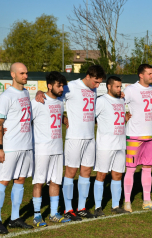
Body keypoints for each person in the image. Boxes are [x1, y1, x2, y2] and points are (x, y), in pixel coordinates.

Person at [35, 65, 105, 220]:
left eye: (99, 82)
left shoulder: (93, 89)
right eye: (96, 81)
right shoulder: (71, 87)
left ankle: (81, 207)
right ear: (88, 76)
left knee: (86, 172)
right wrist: (39, 92)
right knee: (71, 172)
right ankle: (68, 209)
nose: (97, 85)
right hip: (74, 137)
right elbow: (53, 96)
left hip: (89, 137)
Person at [0, 62, 34, 234]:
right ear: (13, 74)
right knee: (3, 181)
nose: (25, 76)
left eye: (26, 73)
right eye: (22, 73)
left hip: (26, 146)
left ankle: (15, 218)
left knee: (20, 181)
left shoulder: (25, 92)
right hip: (10, 147)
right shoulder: (6, 96)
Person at [31, 72, 71, 226]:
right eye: (58, 85)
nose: (61, 88)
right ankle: (36, 215)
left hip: (57, 148)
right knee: (39, 182)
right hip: (42, 149)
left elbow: (56, 116)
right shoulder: (38, 101)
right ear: (49, 85)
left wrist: (63, 118)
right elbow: (27, 120)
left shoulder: (60, 101)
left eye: (62, 85)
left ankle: (54, 213)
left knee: (55, 181)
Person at [123, 64, 152, 212]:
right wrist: (123, 115)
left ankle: (147, 200)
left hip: (150, 136)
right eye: (150, 74)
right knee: (131, 169)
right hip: (134, 136)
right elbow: (119, 103)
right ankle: (127, 202)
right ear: (141, 75)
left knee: (147, 168)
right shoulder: (130, 90)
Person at [93, 76, 130, 215]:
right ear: (109, 86)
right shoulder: (101, 101)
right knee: (101, 175)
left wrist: (125, 118)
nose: (119, 89)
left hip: (120, 144)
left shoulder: (121, 100)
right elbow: (92, 118)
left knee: (117, 175)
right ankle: (98, 207)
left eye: (120, 87)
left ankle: (115, 206)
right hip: (105, 145)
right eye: (117, 87)